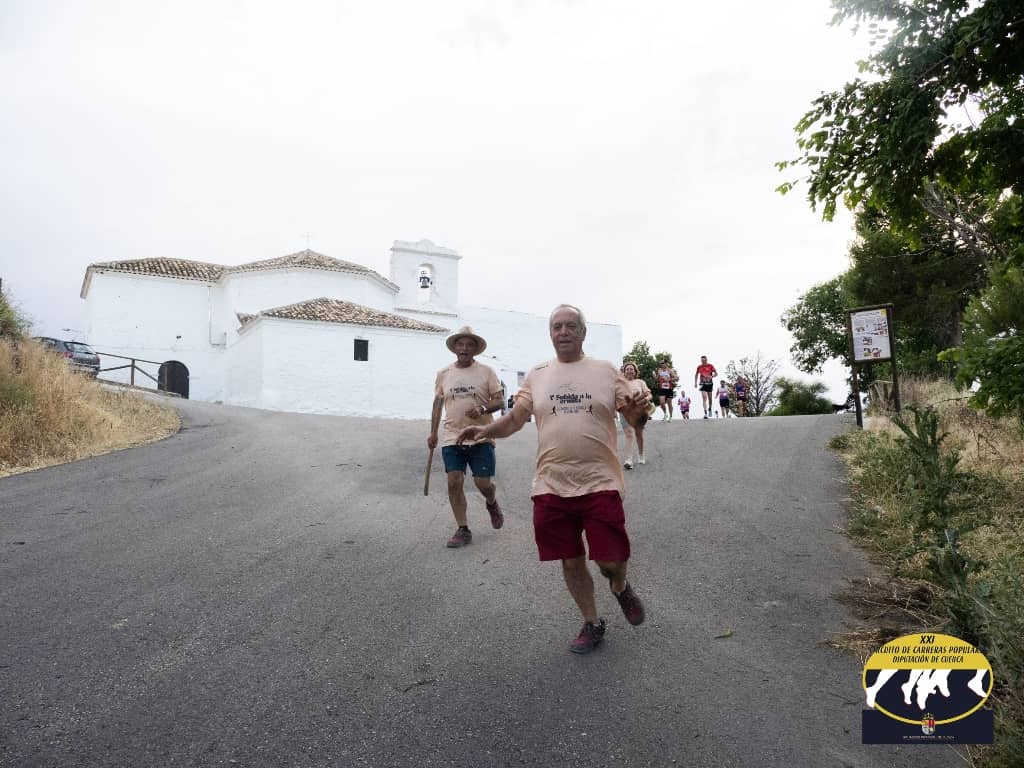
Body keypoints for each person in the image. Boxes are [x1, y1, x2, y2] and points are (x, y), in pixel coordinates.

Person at [456, 305, 650, 654]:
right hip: (550, 483)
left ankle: (620, 587)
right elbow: (515, 420)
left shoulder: (606, 371)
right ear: (550, 334)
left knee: (610, 562)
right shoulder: (538, 374)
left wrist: (640, 407)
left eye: (571, 326)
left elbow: (635, 418)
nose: (563, 332)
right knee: (570, 559)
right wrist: (485, 431)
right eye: (557, 326)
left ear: (583, 332)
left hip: (600, 481)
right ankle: (592, 622)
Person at [428, 326, 506, 548]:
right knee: (454, 481)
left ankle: (491, 502)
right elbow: (437, 404)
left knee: (483, 483)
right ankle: (463, 529)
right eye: (461, 344)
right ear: (455, 348)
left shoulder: (487, 372)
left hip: (481, 435)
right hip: (452, 435)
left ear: (475, 349)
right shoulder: (444, 374)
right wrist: (433, 433)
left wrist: (482, 409)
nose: (464, 348)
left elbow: (500, 401)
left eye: (469, 345)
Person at [620, 361, 651, 469]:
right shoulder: (620, 384)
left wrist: (647, 399)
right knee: (629, 433)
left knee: (638, 433)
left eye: (631, 369)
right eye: (627, 369)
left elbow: (648, 394)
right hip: (625, 411)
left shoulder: (640, 382)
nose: (629, 371)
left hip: (638, 411)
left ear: (635, 371)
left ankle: (641, 454)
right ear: (624, 372)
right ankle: (629, 460)